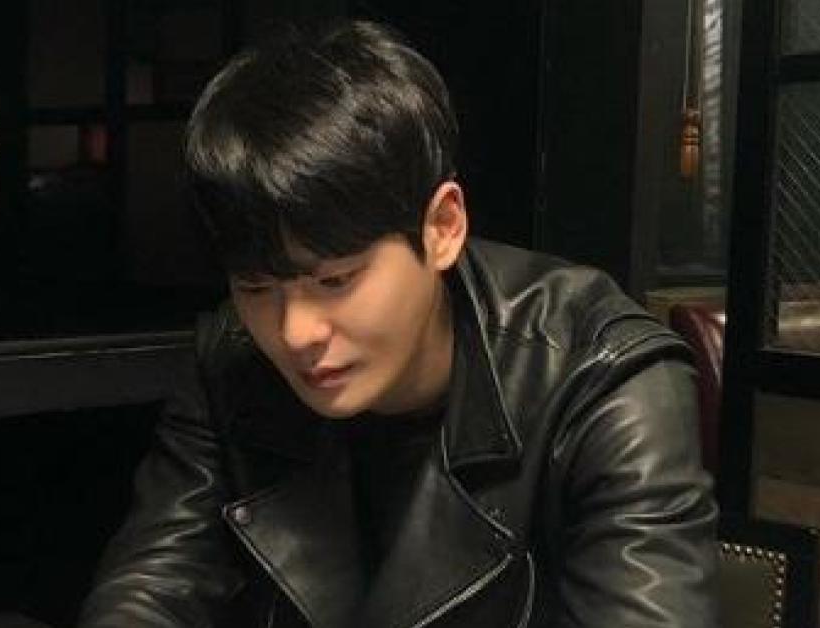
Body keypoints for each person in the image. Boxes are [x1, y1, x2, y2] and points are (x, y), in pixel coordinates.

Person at [80, 20, 717, 628]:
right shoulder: (234, 359)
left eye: (335, 281)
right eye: (256, 287)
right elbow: (155, 581)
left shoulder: (601, 376)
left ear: (442, 228)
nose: (296, 332)